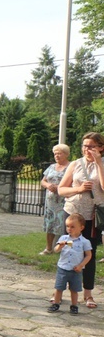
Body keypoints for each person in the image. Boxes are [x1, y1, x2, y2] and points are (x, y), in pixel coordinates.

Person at [57, 132, 104, 309]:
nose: (87, 149)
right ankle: (61, 291)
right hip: (72, 215)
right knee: (67, 250)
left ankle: (88, 294)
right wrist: (78, 189)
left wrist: (99, 163)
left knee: (88, 254)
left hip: (91, 217)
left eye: (91, 146)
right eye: (84, 146)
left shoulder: (103, 163)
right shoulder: (76, 164)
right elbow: (61, 189)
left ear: (100, 148)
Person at [48, 213, 91, 315]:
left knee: (74, 289)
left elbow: (88, 255)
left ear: (81, 228)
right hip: (63, 268)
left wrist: (81, 265)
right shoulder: (64, 238)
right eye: (67, 226)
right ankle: (56, 303)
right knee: (59, 287)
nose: (69, 229)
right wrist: (60, 246)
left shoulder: (84, 242)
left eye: (72, 227)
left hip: (75, 269)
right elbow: (55, 250)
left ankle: (74, 305)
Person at [40, 144, 71, 255]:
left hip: (64, 201)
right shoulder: (51, 167)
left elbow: (74, 183)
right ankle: (48, 248)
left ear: (66, 154)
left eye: (59, 153)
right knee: (50, 224)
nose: (57, 156)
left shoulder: (70, 167)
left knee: (64, 225)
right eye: (55, 154)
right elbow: (43, 181)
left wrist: (59, 188)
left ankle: (65, 248)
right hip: (51, 202)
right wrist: (48, 185)